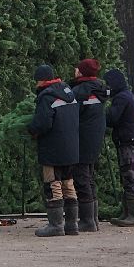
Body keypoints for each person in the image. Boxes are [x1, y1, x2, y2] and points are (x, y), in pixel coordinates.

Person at [27, 64, 80, 237]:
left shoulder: (46, 96)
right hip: (71, 147)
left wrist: (31, 129)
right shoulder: (69, 93)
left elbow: (43, 123)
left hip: (52, 148)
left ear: (42, 80)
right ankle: (72, 225)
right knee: (68, 183)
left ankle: (56, 225)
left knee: (52, 184)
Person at [71, 57, 108, 232]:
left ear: (82, 71)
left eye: (77, 68)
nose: (75, 70)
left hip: (82, 140)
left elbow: (72, 116)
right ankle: (93, 219)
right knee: (89, 177)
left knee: (81, 178)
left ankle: (87, 221)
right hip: (95, 139)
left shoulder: (79, 91)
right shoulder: (99, 90)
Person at [104, 67, 134, 228]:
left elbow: (112, 118)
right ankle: (128, 213)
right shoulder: (126, 95)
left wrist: (103, 111)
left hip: (127, 142)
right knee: (127, 176)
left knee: (129, 176)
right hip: (128, 140)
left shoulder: (121, 98)